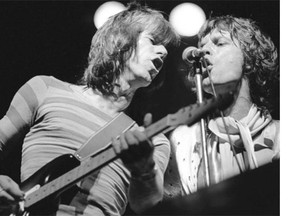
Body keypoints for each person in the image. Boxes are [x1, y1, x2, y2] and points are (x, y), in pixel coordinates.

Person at [0, 2, 179, 215]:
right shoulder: (44, 89)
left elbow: (147, 205)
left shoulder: (152, 140)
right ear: (118, 39)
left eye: (165, 49)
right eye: (153, 41)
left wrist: (145, 168)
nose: (162, 52)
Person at [165, 15, 279, 198]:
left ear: (249, 58)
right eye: (201, 46)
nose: (203, 52)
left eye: (219, 44)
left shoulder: (281, 135)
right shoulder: (182, 140)